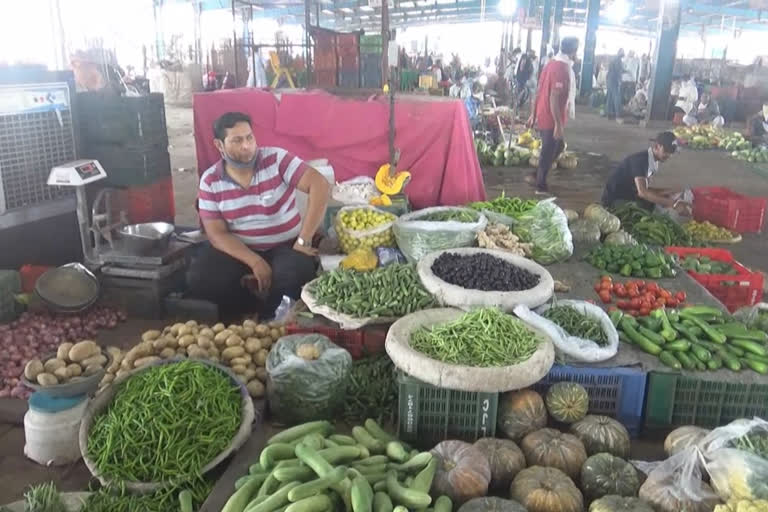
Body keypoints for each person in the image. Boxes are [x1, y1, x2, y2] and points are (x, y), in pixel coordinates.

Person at [187, 112, 330, 317]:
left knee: (297, 273)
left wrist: (304, 240)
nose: (247, 146)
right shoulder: (210, 181)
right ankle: (248, 306)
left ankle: (269, 320)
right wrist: (254, 261)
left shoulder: (276, 159)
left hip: (286, 246)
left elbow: (320, 185)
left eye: (249, 137)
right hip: (240, 250)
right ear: (219, 145)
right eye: (237, 140)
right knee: (201, 278)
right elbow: (217, 234)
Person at [526, 36, 579, 194]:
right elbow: (554, 97)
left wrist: (533, 114)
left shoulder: (550, 64)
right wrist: (557, 123)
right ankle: (540, 186)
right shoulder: (561, 68)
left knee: (559, 146)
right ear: (573, 51)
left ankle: (536, 176)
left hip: (544, 113)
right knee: (548, 150)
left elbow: (539, 90)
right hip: (550, 116)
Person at [602, 131, 691, 215]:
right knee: (656, 212)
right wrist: (674, 204)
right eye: (666, 151)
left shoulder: (653, 160)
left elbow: (645, 189)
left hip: (629, 193)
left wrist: (670, 191)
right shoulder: (640, 161)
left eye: (671, 152)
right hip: (614, 200)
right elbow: (643, 192)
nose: (669, 155)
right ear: (657, 146)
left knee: (660, 201)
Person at [605, 49, 625, 121]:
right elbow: (618, 70)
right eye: (623, 52)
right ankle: (618, 116)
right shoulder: (618, 60)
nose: (624, 54)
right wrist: (620, 80)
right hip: (613, 80)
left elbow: (618, 69)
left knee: (610, 97)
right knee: (616, 97)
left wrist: (625, 71)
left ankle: (609, 115)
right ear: (619, 52)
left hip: (609, 79)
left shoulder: (614, 58)